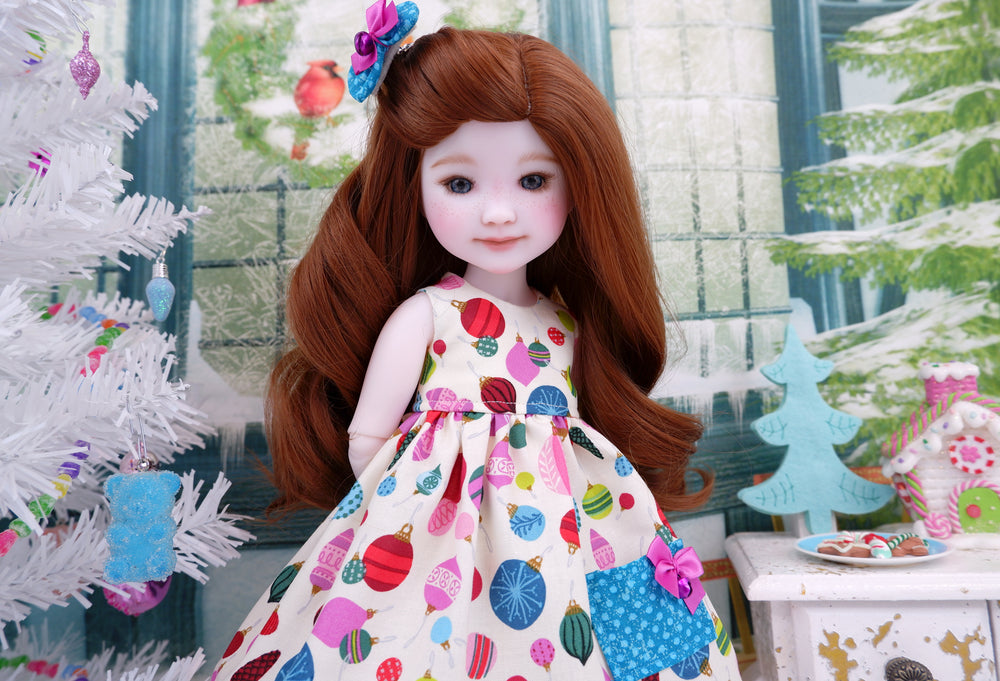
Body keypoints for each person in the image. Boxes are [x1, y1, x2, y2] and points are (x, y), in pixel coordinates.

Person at [210, 3, 741, 680]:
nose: (497, 211)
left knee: (593, 646)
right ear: (415, 183)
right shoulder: (428, 315)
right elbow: (368, 439)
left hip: (569, 535)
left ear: (579, 184)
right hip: (432, 535)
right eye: (458, 183)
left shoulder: (567, 322)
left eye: (533, 180)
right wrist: (400, 504)